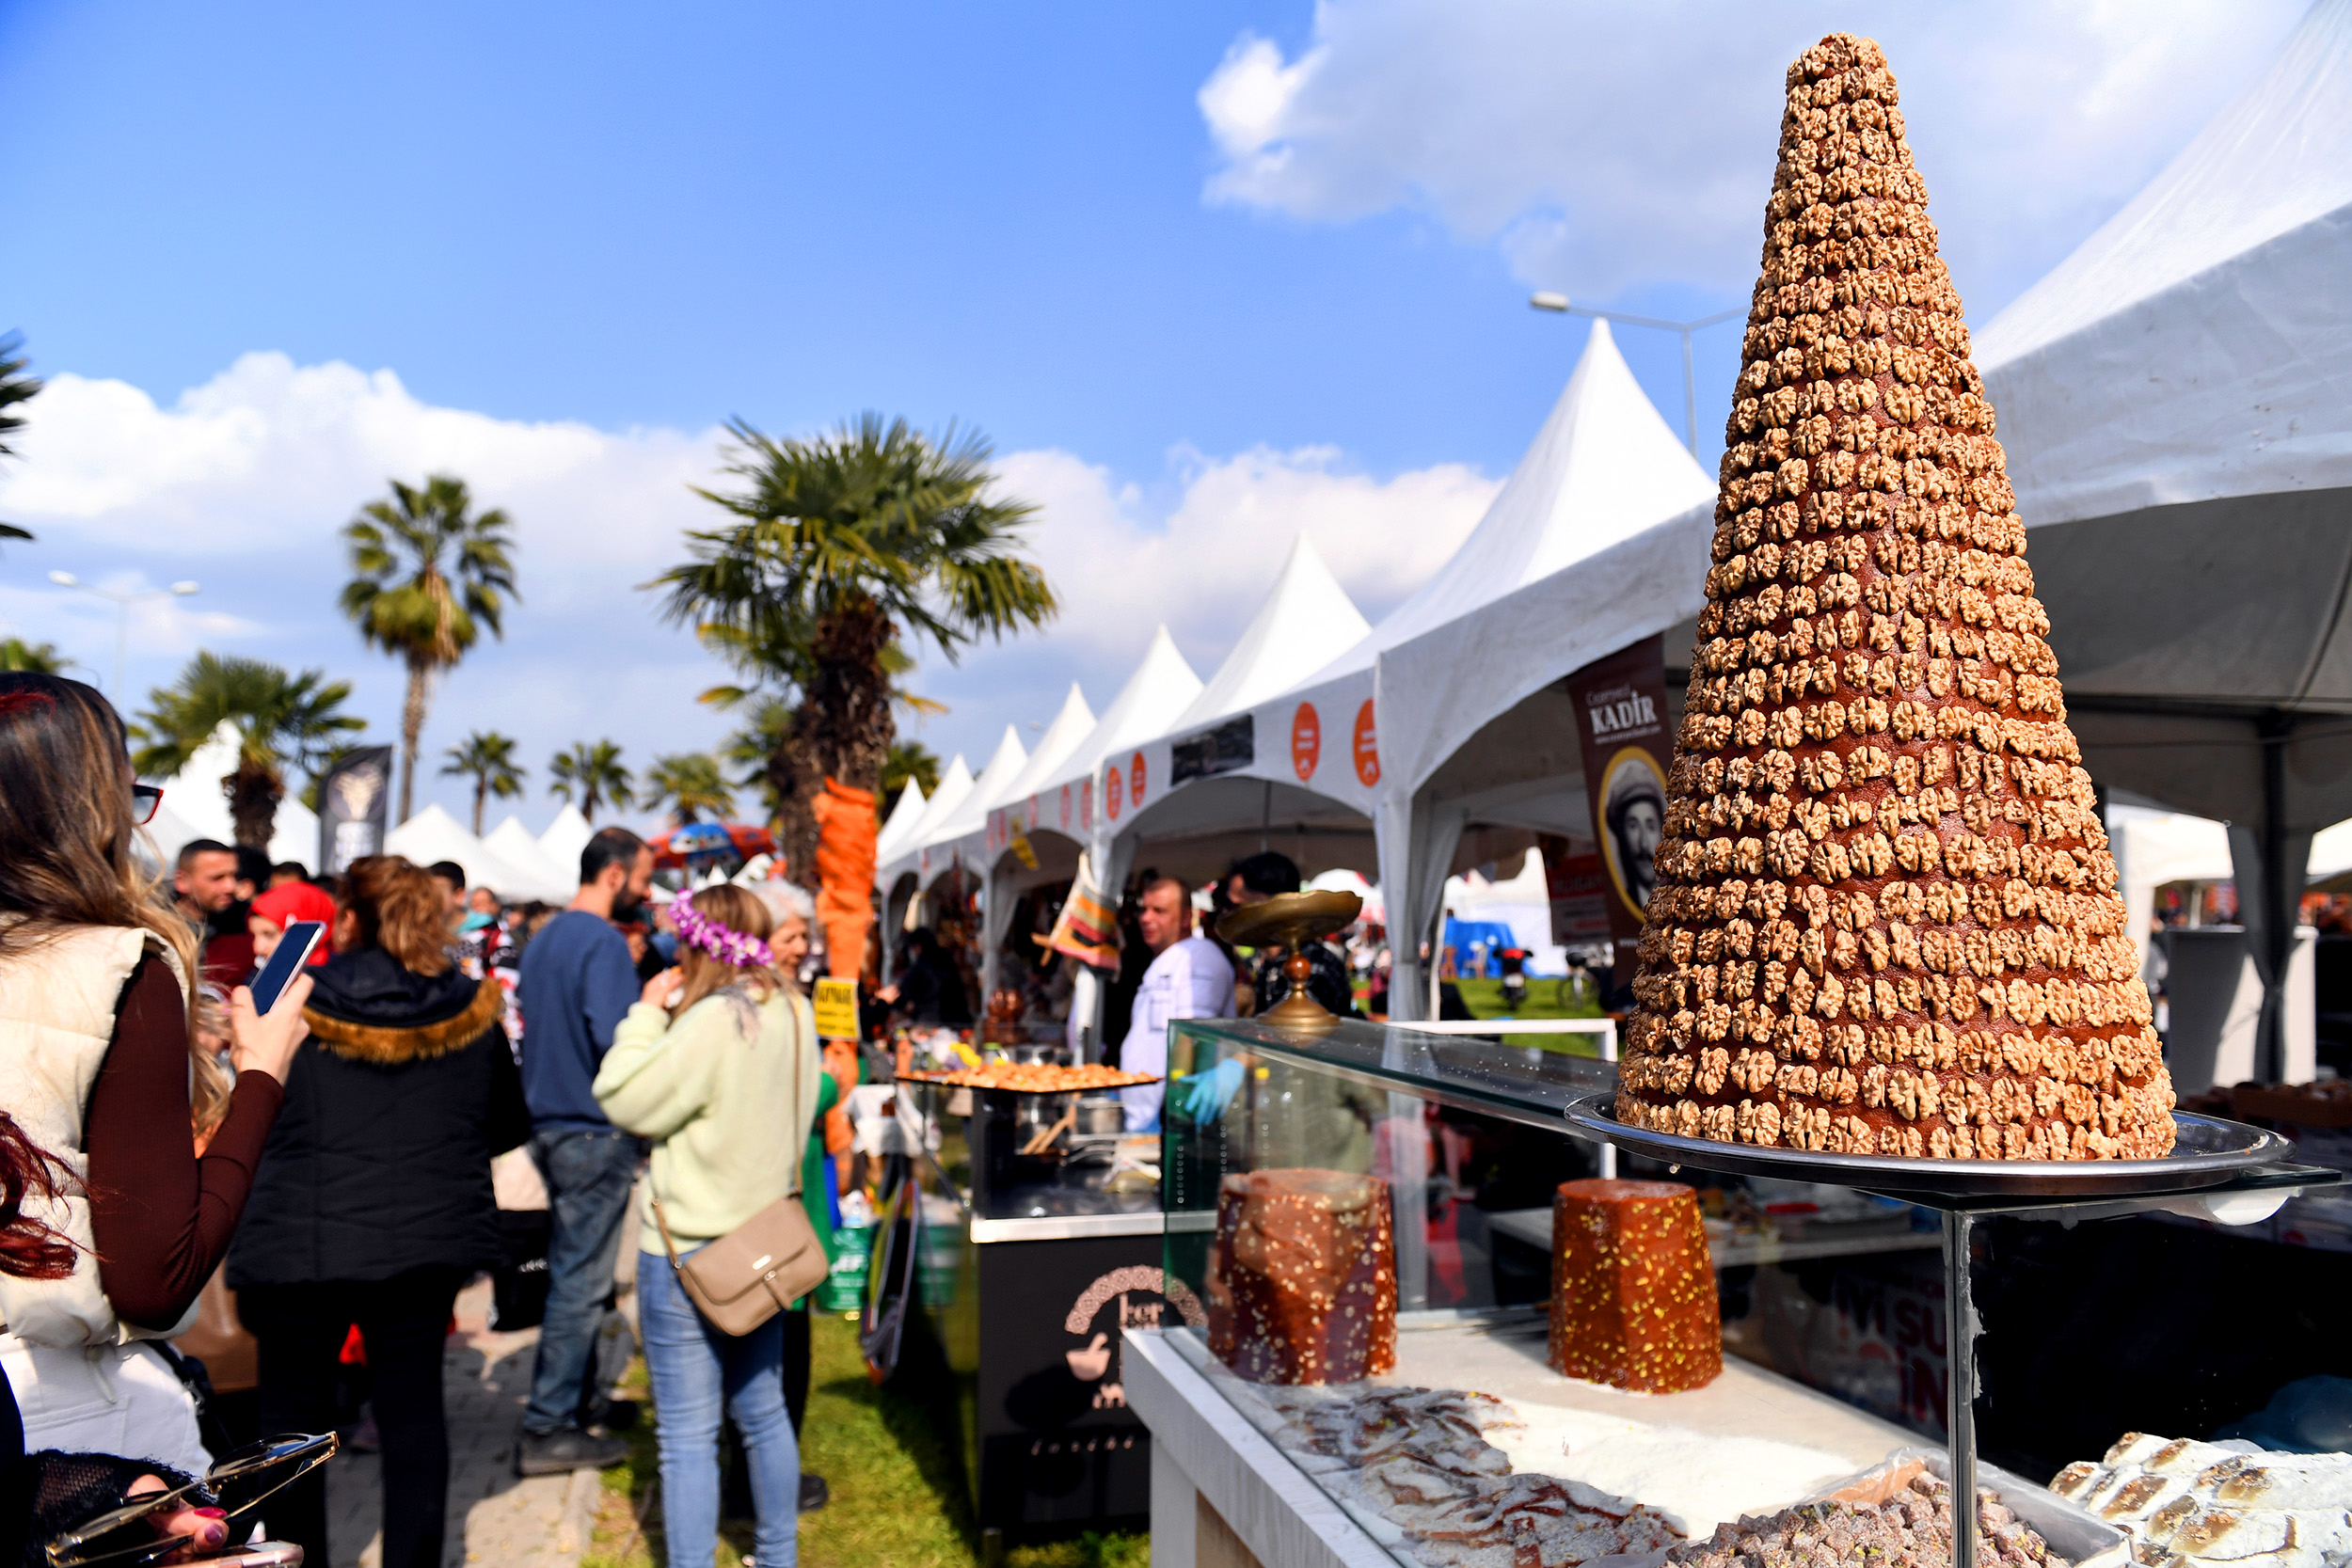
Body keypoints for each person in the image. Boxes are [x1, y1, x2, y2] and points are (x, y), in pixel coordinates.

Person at [0, 673, 310, 1476]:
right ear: (89, 810)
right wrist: (261, 1075)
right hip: (58, 1408)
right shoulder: (118, 966)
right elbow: (155, 1280)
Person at [229, 855, 529, 1568]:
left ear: (348, 918)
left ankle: (295, 1561)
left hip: (299, 1245)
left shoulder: (290, 1000)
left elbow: (247, 1107)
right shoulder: (471, 1007)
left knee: (293, 1433)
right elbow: (507, 1124)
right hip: (422, 1245)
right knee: (413, 1415)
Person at [593, 886, 816, 1568]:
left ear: (697, 944)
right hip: (765, 1240)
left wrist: (644, 1015)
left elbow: (622, 1095)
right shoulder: (793, 1007)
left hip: (690, 1250)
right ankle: (777, 1556)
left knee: (688, 1435)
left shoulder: (716, 1018)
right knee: (763, 1410)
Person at [513, 827, 654, 1475]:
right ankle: (550, 1424)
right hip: (592, 1128)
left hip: (551, 1123)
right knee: (581, 1279)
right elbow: (619, 1042)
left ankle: (579, 1399)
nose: (646, 893)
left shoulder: (544, 938)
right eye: (643, 879)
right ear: (615, 873)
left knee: (578, 1275)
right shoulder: (601, 941)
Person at [749, 879, 838, 1513]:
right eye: (791, 935)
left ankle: (765, 1474)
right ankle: (765, 1481)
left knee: (780, 1341)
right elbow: (789, 1098)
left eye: (806, 935)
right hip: (774, 1201)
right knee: (777, 1345)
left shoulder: (782, 1000)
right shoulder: (767, 1007)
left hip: (784, 1193)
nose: (802, 947)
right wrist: (833, 1083)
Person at [1118, 877, 1232, 1132]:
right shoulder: (1164, 960)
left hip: (1171, 1121)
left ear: (1185, 917)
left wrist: (1176, 1110)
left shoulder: (1198, 956)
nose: (1146, 918)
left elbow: (1193, 1035)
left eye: (1159, 911)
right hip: (1143, 1119)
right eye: (1144, 909)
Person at [246, 880, 337, 971]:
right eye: (253, 936)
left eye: (270, 935)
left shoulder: (335, 975)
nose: (257, 949)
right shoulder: (259, 973)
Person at [172, 840, 237, 943]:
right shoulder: (157, 932)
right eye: (217, 878)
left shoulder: (246, 925)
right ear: (182, 881)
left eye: (235, 876)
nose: (231, 887)